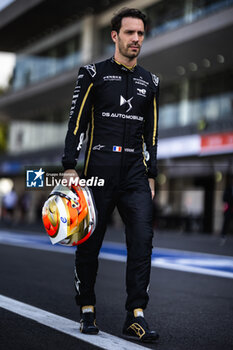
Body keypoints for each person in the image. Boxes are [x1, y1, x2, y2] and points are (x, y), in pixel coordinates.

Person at [62, 8, 160, 343]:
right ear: (114, 36)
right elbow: (76, 123)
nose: (136, 39)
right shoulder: (92, 74)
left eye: (141, 34)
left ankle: (136, 316)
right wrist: (69, 166)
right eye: (130, 32)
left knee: (143, 242)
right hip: (96, 172)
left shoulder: (151, 81)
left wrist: (151, 174)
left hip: (134, 173)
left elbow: (153, 132)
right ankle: (87, 308)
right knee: (88, 244)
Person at [220, 176, 233, 244]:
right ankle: (223, 236)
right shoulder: (228, 189)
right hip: (229, 209)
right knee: (226, 222)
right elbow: (224, 198)